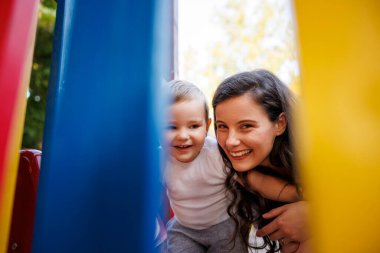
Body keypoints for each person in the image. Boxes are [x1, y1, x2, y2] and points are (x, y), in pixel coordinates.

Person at [162, 80, 299, 253]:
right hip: (184, 228)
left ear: (206, 127)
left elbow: (256, 181)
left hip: (224, 225)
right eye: (171, 127)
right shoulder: (158, 160)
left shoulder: (216, 154)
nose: (182, 136)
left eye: (193, 126)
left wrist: (295, 194)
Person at [212, 70, 310, 253]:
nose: (230, 141)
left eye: (246, 126)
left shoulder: (316, 155)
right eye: (222, 127)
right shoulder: (245, 178)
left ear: (280, 124)